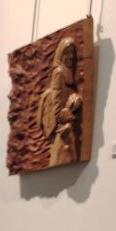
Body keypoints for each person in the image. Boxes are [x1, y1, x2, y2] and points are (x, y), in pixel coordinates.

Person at [37, 36, 82, 167]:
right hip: (61, 126)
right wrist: (68, 109)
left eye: (72, 53)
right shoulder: (59, 73)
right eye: (66, 53)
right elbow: (57, 106)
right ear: (60, 54)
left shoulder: (67, 72)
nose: (70, 56)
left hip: (66, 122)